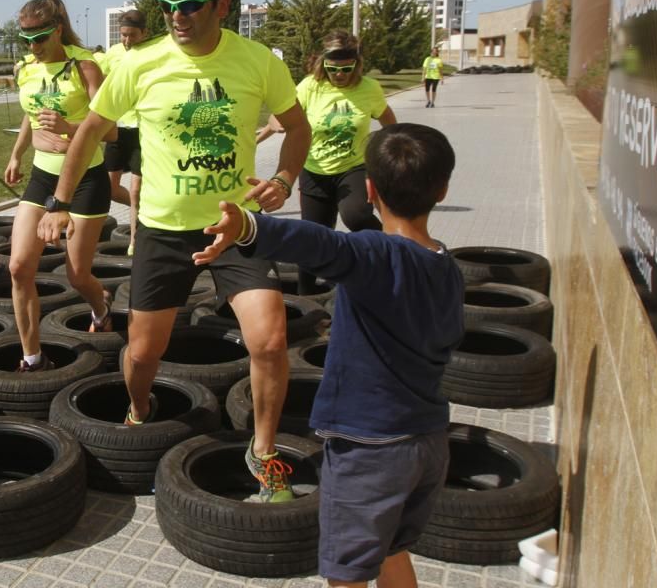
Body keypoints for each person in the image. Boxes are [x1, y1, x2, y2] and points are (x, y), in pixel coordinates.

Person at [38, 0, 312, 502]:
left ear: (222, 4)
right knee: (142, 354)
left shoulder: (258, 61)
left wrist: (284, 177)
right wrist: (58, 201)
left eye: (189, 6)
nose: (177, 17)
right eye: (168, 7)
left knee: (271, 340)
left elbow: (297, 126)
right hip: (162, 232)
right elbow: (91, 131)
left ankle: (262, 452)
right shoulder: (140, 65)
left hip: (236, 227)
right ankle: (140, 410)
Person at [193, 123, 463, 588]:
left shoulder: (376, 253)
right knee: (391, 548)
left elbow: (321, 244)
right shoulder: (446, 264)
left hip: (369, 448)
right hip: (428, 440)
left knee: (347, 573)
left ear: (370, 189)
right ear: (442, 190)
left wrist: (248, 225)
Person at [4, 0, 113, 373]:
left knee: (77, 274)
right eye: (26, 40)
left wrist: (70, 129)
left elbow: (110, 130)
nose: (33, 47)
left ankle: (101, 306)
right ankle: (32, 357)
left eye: (40, 38)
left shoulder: (84, 67)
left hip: (86, 178)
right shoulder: (27, 69)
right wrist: (17, 153)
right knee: (19, 267)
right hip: (42, 175)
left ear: (58, 30)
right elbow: (30, 115)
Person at [257, 30, 397, 294]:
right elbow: (284, 119)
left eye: (346, 69)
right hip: (314, 170)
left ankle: (395, 252)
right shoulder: (310, 86)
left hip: (353, 167)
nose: (340, 75)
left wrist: (394, 153)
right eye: (333, 69)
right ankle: (306, 296)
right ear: (323, 63)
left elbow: (389, 121)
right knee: (313, 237)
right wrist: (258, 139)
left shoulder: (369, 88)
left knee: (355, 215)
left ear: (357, 64)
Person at [95, 9, 153, 256]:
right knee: (109, 187)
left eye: (132, 35)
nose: (127, 41)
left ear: (144, 33)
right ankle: (145, 209)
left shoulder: (153, 54)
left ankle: (136, 242)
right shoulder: (114, 53)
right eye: (123, 35)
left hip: (143, 129)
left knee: (137, 188)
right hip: (117, 129)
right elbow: (97, 73)